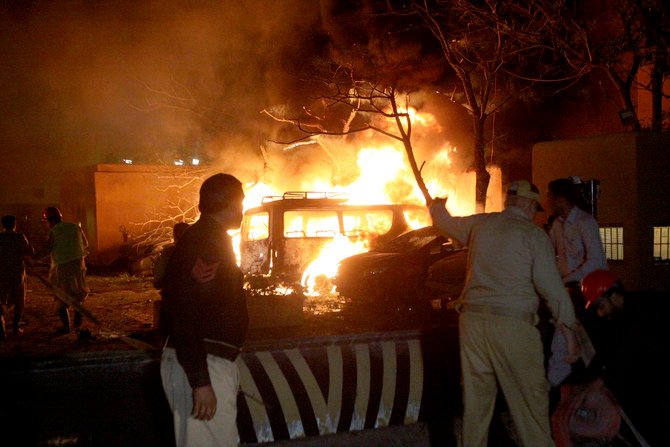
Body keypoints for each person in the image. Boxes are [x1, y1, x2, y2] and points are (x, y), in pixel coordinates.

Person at [429, 180, 580, 447]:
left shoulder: (480, 224)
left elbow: (444, 223)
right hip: (513, 327)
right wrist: (569, 332)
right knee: (530, 404)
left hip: (473, 324)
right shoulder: (533, 235)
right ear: (527, 204)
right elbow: (553, 290)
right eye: (534, 207)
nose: (535, 212)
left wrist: (437, 206)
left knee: (476, 406)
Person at [159, 173, 249, 447]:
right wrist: (200, 380)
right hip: (202, 363)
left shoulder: (208, 238)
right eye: (241, 203)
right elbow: (185, 311)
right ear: (232, 203)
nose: (242, 211)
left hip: (203, 362)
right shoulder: (206, 243)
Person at [575, 269, 670, 446]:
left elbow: (628, 351)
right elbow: (608, 349)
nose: (600, 313)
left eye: (600, 305)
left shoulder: (644, 312)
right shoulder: (619, 317)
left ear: (612, 295)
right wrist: (589, 379)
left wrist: (600, 380)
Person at [546, 177, 607, 389]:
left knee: (586, 343)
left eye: (550, 197)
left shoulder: (585, 223)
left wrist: (566, 279)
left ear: (560, 199)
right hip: (569, 293)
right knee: (563, 340)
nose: (547, 202)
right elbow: (548, 254)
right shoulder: (557, 225)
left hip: (591, 294)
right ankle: (554, 387)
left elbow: (597, 261)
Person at [34, 207, 89, 334]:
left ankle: (66, 327)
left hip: (61, 267)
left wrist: (32, 258)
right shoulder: (75, 227)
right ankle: (77, 319)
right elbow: (85, 244)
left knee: (60, 296)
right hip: (79, 265)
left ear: (49, 220)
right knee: (77, 293)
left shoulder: (54, 232)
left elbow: (46, 249)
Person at [0, 215, 34, 339]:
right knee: (19, 299)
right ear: (14, 224)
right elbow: (30, 251)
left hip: (2, 272)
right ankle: (15, 328)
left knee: (1, 299)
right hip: (17, 272)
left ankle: (1, 327)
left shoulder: (0, 237)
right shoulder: (19, 237)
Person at [153, 222, 190, 290]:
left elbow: (157, 283)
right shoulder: (199, 253)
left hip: (174, 296)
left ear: (175, 237)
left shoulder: (168, 254)